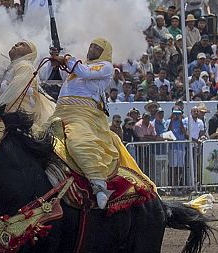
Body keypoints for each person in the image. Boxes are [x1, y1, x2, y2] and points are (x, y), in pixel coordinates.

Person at [48, 37, 150, 209]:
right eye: (91, 45)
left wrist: (66, 59)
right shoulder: (78, 66)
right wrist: (55, 60)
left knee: (78, 143)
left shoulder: (104, 66)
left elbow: (85, 73)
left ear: (104, 53)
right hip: (59, 111)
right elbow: (55, 77)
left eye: (97, 47)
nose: (92, 49)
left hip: (82, 114)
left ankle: (99, 185)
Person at [0, 41, 55, 134]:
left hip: (17, 117)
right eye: (17, 43)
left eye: (22, 45)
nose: (16, 45)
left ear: (30, 54)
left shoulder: (24, 66)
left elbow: (14, 89)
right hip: (5, 115)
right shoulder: (10, 67)